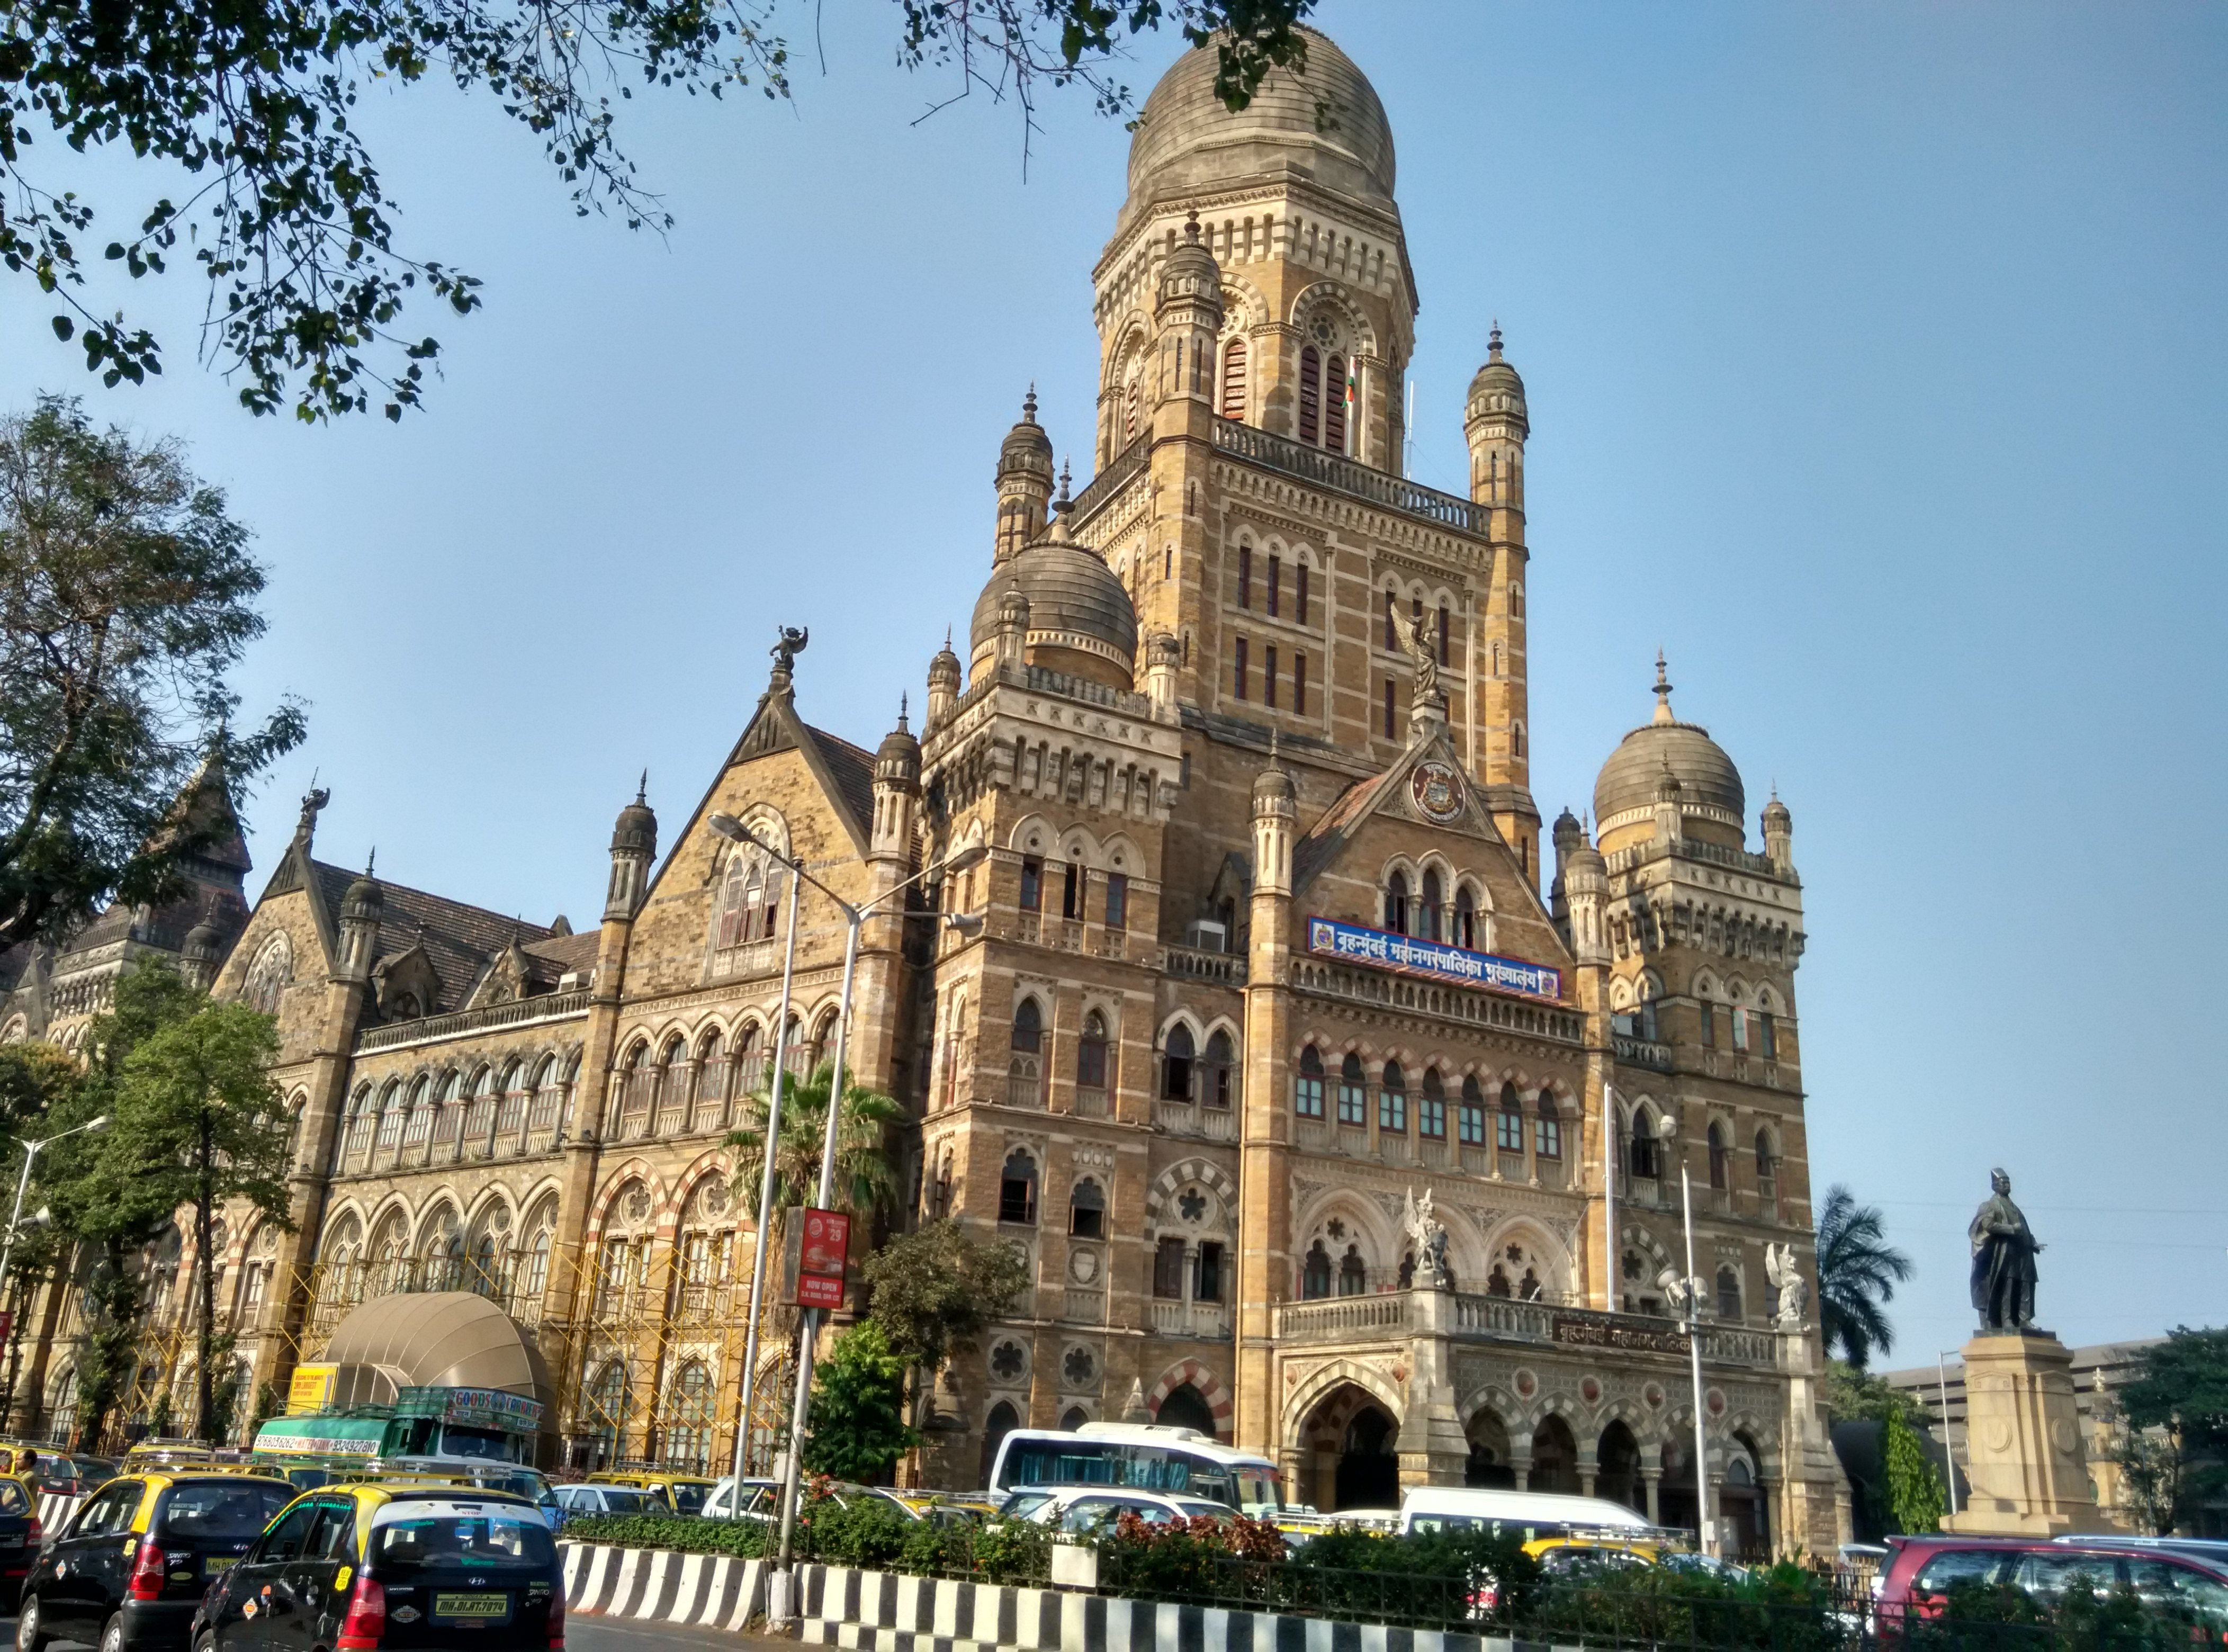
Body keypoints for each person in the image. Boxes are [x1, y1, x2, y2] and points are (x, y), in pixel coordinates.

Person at [1968, 1167, 2042, 1332]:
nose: (2007, 1186)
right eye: (2003, 1183)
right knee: (2008, 1286)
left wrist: (2033, 1242)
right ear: (1995, 1186)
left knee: (2025, 1285)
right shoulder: (1990, 1205)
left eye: (2008, 1183)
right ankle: (2006, 1319)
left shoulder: (2015, 1208)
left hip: (2023, 1253)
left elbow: (2023, 1228)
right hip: (2004, 1253)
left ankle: (2025, 1319)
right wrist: (2010, 1229)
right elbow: (1986, 1226)